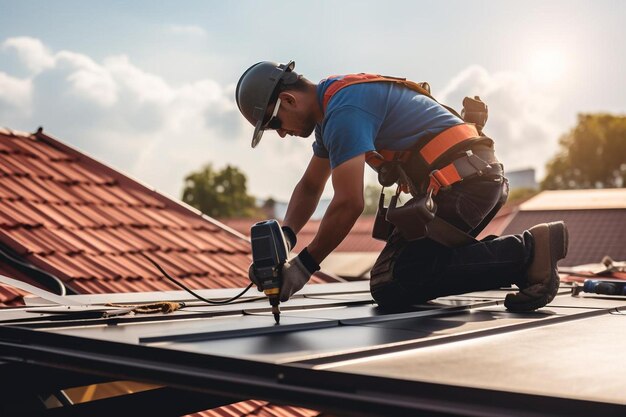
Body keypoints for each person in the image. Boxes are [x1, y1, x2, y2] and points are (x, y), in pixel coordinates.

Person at [236, 60, 568, 312]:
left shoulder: (343, 112)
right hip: (467, 180)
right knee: (396, 277)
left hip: (466, 183)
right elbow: (310, 187)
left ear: (289, 100)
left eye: (274, 122)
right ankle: (522, 262)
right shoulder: (332, 107)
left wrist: (304, 266)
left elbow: (349, 203)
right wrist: (285, 239)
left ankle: (530, 251)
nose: (280, 133)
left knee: (395, 281)